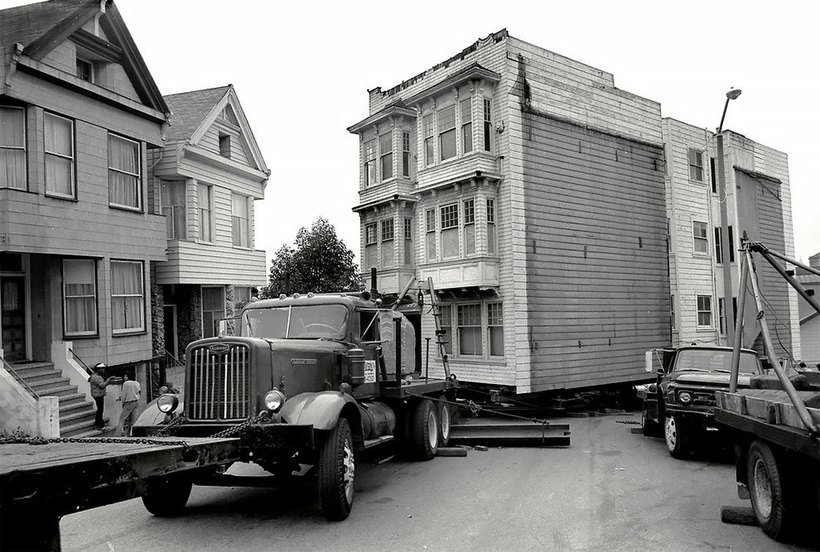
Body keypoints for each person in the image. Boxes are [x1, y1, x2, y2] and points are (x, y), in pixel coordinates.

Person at [88, 362, 116, 430]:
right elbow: (102, 385)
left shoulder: (94, 376)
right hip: (98, 395)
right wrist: (108, 380)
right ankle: (100, 425)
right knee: (100, 410)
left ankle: (97, 424)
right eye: (102, 369)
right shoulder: (96, 377)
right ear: (99, 370)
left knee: (100, 409)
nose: (104, 370)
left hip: (98, 394)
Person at [117, 372, 141, 436]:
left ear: (127, 377)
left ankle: (118, 434)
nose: (124, 377)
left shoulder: (126, 384)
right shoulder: (136, 383)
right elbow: (139, 392)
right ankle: (132, 433)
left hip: (128, 402)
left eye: (125, 376)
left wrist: (122, 403)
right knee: (134, 419)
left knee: (122, 419)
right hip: (136, 401)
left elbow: (123, 394)